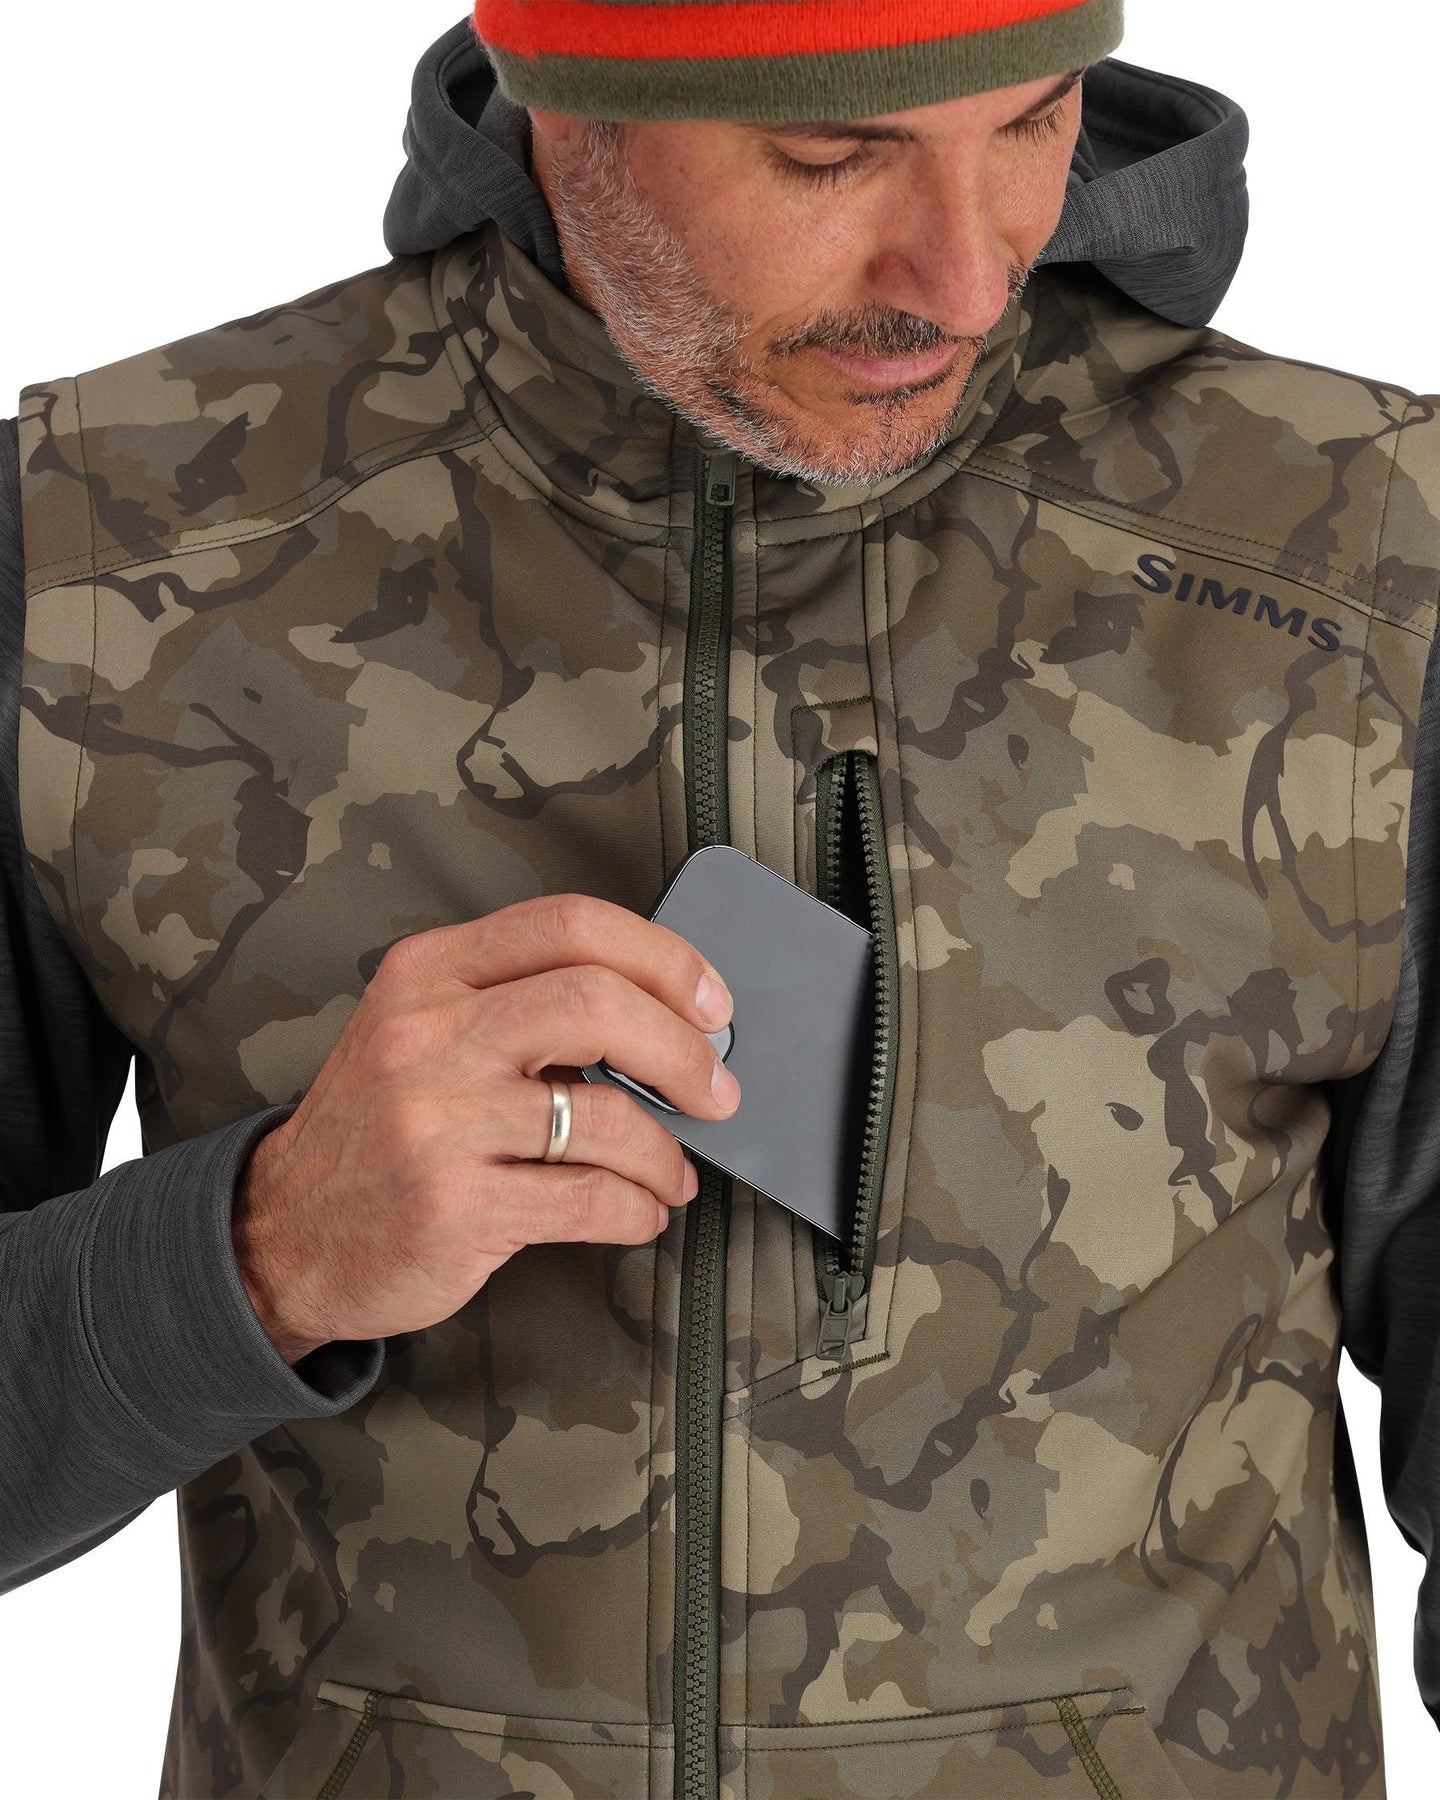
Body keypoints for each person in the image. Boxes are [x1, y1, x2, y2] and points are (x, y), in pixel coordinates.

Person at [3, 3, 1438, 1794]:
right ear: (568, 101)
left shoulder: (1366, 558)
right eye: (831, 156)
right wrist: (256, 1256)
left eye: (1031, 121)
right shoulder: (103, 553)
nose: (971, 278)